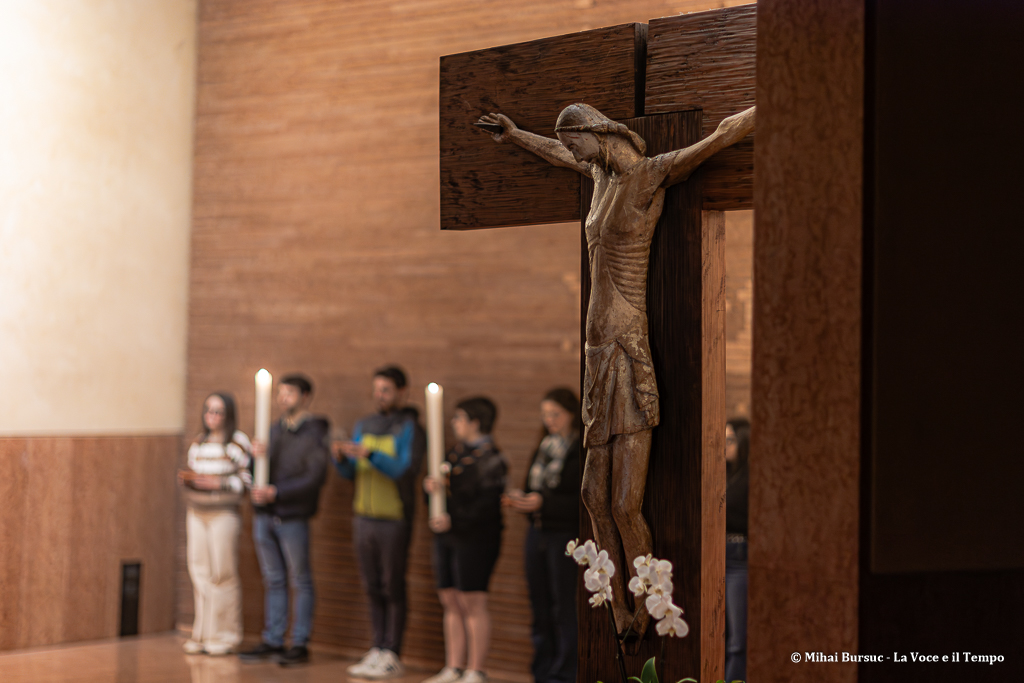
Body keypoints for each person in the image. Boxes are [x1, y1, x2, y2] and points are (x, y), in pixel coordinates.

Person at [478, 103, 756, 634]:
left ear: (598, 133)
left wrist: (768, 107)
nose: (575, 153)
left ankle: (648, 601)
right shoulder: (599, 177)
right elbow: (559, 153)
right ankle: (617, 608)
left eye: (577, 142)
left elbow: (718, 139)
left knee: (626, 503)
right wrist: (515, 135)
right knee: (591, 496)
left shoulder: (649, 175)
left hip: (628, 350)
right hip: (596, 355)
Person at [334, 365, 426, 680]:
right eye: (376, 390)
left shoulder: (410, 428)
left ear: (402, 392)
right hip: (364, 516)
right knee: (371, 585)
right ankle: (376, 647)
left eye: (385, 390)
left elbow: (405, 469)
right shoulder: (364, 424)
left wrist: (371, 454)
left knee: (392, 584)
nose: (379, 395)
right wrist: (342, 459)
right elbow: (352, 473)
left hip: (394, 517)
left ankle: (392, 651)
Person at [239, 374, 330, 667]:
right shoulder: (274, 429)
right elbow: (257, 471)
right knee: (273, 578)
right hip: (265, 514)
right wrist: (254, 457)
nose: (282, 398)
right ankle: (273, 638)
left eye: (289, 393)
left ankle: (300, 642)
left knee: (300, 579)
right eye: (280, 393)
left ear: (305, 397)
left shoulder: (315, 432)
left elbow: (314, 477)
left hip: (292, 515)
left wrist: (278, 492)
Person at [422, 397, 507, 683]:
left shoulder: (492, 459)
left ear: (475, 422)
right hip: (447, 537)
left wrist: (454, 518)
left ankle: (475, 669)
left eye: (459, 418)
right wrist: (431, 490)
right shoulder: (454, 454)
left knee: (472, 601)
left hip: (476, 538)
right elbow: (442, 493)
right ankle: (454, 666)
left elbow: (486, 506)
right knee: (450, 599)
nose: (454, 423)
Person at [504, 388, 581, 683]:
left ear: (571, 414)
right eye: (545, 414)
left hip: (565, 536)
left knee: (563, 605)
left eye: (555, 414)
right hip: (537, 533)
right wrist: (522, 499)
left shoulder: (579, 449)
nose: (550, 420)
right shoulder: (545, 445)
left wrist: (543, 503)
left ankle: (564, 673)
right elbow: (532, 488)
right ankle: (542, 670)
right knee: (539, 604)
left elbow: (581, 501)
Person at [179, 392, 251, 655]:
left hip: (223, 513)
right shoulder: (198, 443)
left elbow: (246, 481)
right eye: (208, 410)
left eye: (218, 411)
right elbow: (192, 472)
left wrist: (218, 482)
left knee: (222, 573)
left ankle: (225, 635)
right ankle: (202, 633)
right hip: (197, 511)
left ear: (228, 415)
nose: (212, 416)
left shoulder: (237, 443)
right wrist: (190, 480)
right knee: (199, 572)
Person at [724, 417, 750, 683]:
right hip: (716, 554)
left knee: (737, 641)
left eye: (730, 440)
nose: (724, 445)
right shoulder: (723, 473)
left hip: (739, 555)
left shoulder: (750, 477)